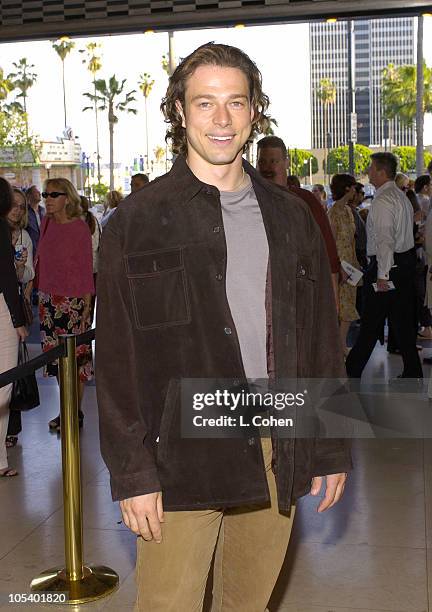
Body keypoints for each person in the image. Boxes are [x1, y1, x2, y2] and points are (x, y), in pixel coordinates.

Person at [96, 42, 350, 612]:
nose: (221, 119)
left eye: (236, 103)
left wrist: (330, 446)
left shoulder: (292, 217)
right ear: (180, 112)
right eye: (205, 103)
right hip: (178, 454)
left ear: (255, 111)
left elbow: (319, 342)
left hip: (273, 442)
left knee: (247, 603)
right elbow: (115, 363)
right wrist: (133, 473)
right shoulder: (134, 224)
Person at [346, 152, 422, 379]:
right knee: (401, 321)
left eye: (371, 168)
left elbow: (385, 241)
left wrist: (382, 275)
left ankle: (350, 370)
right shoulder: (400, 196)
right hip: (404, 265)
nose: (368, 172)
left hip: (388, 268)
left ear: (380, 171)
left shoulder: (383, 200)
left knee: (371, 322)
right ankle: (412, 370)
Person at [35, 178, 94, 431]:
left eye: (53, 195)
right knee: (57, 363)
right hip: (48, 301)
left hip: (73, 303)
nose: (47, 199)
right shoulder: (46, 223)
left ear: (67, 198)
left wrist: (86, 310)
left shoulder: (79, 228)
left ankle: (73, 412)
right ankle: (66, 410)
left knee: (75, 362)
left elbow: (86, 270)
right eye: (46, 194)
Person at [256, 135, 340, 309]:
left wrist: (334, 303)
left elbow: (328, 252)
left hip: (298, 294)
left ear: (286, 163)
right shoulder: (249, 200)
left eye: (274, 161)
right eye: (262, 162)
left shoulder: (305, 201)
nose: (267, 167)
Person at [0, 177, 28, 477]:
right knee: (4, 384)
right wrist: (19, 321)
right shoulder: (1, 230)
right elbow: (8, 279)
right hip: (1, 308)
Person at [5, 188, 35, 448]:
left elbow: (26, 277)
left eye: (21, 206)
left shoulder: (24, 236)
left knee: (11, 370)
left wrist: (21, 266)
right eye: (13, 204)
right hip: (5, 308)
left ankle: (10, 428)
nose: (17, 209)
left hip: (12, 307)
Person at [328, 174, 361, 356]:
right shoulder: (334, 212)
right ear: (347, 189)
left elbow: (351, 240)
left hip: (351, 266)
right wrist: (339, 267)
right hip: (341, 266)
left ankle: (340, 345)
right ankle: (339, 346)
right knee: (342, 308)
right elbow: (331, 243)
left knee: (348, 306)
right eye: (354, 188)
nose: (356, 192)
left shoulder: (348, 211)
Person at [80, 195, 101, 320]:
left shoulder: (76, 222)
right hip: (94, 267)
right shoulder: (94, 220)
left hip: (83, 268)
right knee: (91, 301)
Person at [25, 185, 45, 254]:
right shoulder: (25, 212)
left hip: (44, 251)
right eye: (36, 192)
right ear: (29, 196)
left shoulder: (43, 211)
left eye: (39, 192)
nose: (40, 193)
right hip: (30, 252)